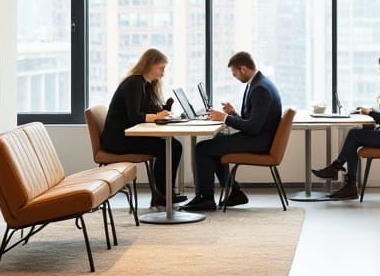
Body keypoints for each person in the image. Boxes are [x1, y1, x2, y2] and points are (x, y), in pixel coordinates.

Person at [182, 51, 282, 212]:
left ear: (243, 68)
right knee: (217, 140)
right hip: (258, 137)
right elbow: (253, 120)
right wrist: (233, 114)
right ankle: (235, 192)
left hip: (259, 142)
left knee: (203, 148)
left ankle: (205, 198)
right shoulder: (258, 83)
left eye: (234, 73)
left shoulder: (260, 89)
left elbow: (254, 127)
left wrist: (225, 118)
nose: (235, 77)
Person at [311, 51, 380, 201]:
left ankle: (337, 169)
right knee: (355, 137)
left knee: (354, 135)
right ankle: (349, 184)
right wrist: (369, 112)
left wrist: (371, 113)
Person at [101, 48, 184, 209]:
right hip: (118, 140)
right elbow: (135, 116)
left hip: (129, 136)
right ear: (150, 65)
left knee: (173, 145)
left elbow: (148, 111)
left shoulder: (145, 85)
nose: (163, 73)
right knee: (169, 147)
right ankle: (162, 195)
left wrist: (163, 110)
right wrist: (157, 116)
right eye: (161, 68)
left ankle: (164, 193)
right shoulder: (134, 83)